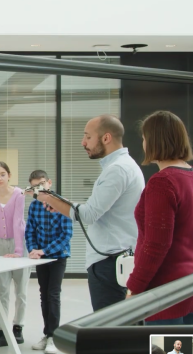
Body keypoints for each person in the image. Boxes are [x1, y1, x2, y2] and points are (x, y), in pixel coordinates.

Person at [36, 114, 144, 311]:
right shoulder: (122, 166)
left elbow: (88, 214)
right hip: (115, 258)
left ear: (106, 138)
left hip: (109, 262)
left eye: (88, 137)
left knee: (108, 330)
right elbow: (97, 208)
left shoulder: (117, 170)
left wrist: (48, 197)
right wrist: (60, 204)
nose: (83, 142)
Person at [126, 111, 193, 325]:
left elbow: (156, 245)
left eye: (144, 138)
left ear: (154, 140)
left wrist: (135, 286)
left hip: (165, 291)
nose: (143, 143)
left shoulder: (162, 182)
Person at [24, 170, 73, 354]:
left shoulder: (62, 203)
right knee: (44, 295)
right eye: (36, 186)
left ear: (49, 183)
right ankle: (47, 334)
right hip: (41, 257)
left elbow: (66, 235)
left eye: (42, 184)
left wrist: (44, 250)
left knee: (53, 294)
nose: (40, 188)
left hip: (58, 255)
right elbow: (30, 231)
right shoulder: (34, 206)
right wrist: (33, 250)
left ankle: (54, 337)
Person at [0, 162, 28, 349]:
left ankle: (18, 327)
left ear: (9, 175)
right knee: (2, 290)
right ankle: (0, 330)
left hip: (19, 244)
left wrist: (18, 250)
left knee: (21, 290)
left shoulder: (19, 194)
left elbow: (18, 221)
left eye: (2, 174)